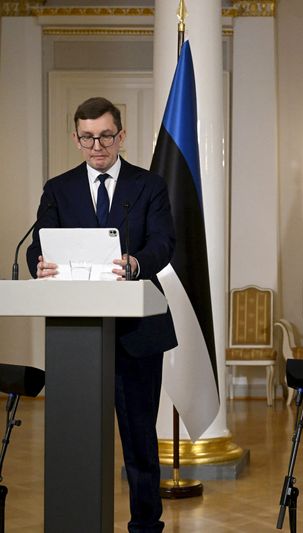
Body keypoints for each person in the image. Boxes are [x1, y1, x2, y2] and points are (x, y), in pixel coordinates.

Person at [27, 97, 177, 532]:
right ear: (76, 140)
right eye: (88, 137)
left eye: (106, 135)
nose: (98, 145)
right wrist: (40, 261)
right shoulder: (58, 188)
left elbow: (164, 243)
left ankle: (145, 525)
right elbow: (40, 243)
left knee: (138, 440)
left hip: (137, 331)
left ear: (121, 136)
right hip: (78, 333)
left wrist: (134, 264)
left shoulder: (149, 185)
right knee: (78, 437)